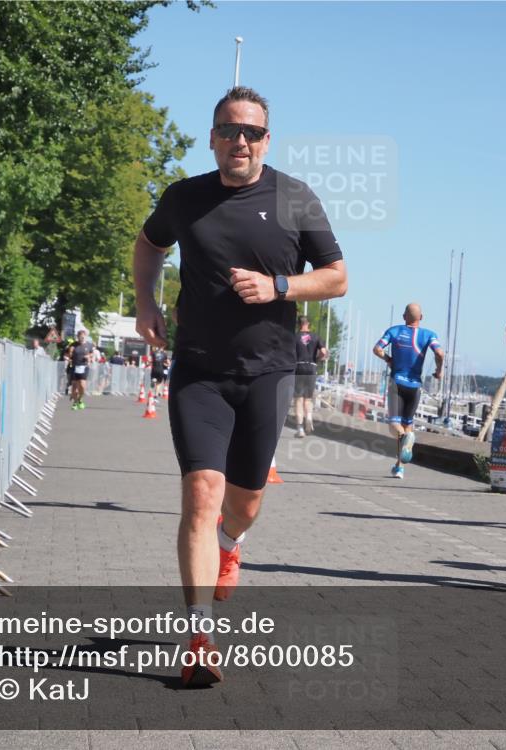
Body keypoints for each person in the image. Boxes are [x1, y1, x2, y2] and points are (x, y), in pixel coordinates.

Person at [132, 86, 347, 686]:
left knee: (245, 501)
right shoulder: (186, 198)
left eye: (251, 132)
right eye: (229, 130)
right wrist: (147, 300)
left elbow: (336, 277)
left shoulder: (294, 199)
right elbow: (149, 243)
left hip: (268, 373)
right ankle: (199, 637)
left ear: (266, 140)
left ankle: (231, 543)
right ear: (212, 137)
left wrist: (279, 287)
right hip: (198, 369)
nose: (240, 141)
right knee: (202, 491)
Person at [373, 303, 444, 479]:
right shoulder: (429, 335)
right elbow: (440, 354)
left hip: (397, 382)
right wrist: (439, 370)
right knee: (408, 424)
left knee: (394, 425)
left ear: (404, 316)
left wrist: (388, 359)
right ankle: (400, 467)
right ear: (421, 317)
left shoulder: (394, 331)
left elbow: (377, 349)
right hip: (415, 386)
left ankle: (406, 439)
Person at [293, 315, 327, 437]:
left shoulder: (294, 337)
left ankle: (300, 429)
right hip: (311, 368)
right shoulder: (316, 337)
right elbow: (323, 352)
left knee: (298, 399)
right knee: (308, 398)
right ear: (308, 324)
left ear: (298, 324)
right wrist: (317, 359)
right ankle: (309, 417)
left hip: (299, 368)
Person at [66, 329, 95, 410]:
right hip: (74, 367)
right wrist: (69, 356)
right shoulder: (73, 345)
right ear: (78, 337)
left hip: (84, 367)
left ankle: (79, 399)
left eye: (83, 337)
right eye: (80, 337)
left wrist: (89, 356)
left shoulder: (89, 345)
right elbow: (67, 354)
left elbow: (92, 354)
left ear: (85, 336)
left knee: (82, 385)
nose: (82, 338)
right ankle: (75, 403)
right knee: (74, 387)